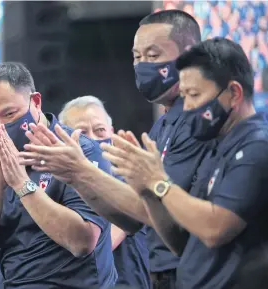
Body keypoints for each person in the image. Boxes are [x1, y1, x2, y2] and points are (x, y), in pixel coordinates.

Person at [20, 10, 205, 289]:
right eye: (136, 57)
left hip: (193, 272)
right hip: (164, 275)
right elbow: (134, 219)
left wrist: (81, 171)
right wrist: (78, 178)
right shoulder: (163, 125)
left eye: (153, 56)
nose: (142, 65)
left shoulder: (199, 122)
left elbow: (156, 211)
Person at [102, 37, 268, 289]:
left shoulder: (257, 147)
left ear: (234, 93)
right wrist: (147, 190)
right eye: (183, 95)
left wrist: (159, 181)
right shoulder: (216, 145)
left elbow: (214, 228)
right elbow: (181, 239)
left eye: (195, 95)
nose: (187, 106)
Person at [0, 62, 118, 289]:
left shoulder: (79, 150)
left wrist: (21, 183)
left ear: (35, 102)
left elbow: (82, 241)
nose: (1, 127)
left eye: (9, 114)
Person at [58, 95, 150, 289]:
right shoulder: (57, 182)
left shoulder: (129, 176)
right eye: (82, 132)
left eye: (100, 131)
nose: (92, 139)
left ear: (112, 132)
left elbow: (101, 247)